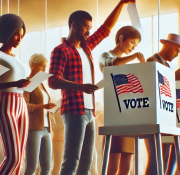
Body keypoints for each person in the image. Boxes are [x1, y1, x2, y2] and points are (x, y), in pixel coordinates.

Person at [48, 1, 135, 174]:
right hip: (74, 110)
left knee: (87, 164)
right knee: (71, 161)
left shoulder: (86, 47)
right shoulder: (61, 50)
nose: (89, 31)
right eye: (86, 27)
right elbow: (53, 81)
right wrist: (80, 87)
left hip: (90, 111)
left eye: (90, 28)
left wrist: (122, 3)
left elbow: (105, 29)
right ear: (74, 25)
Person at [0, 14, 31, 175]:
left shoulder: (17, 58)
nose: (19, 38)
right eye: (16, 34)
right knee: (14, 158)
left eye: (21, 34)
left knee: (20, 159)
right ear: (6, 33)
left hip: (21, 105)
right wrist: (15, 84)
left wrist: (24, 84)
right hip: (6, 104)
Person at [99, 26, 144, 175]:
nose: (133, 48)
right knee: (112, 165)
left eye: (135, 46)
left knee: (126, 166)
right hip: (114, 116)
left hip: (129, 116)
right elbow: (113, 64)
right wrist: (134, 56)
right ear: (121, 38)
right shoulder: (105, 56)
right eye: (132, 42)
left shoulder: (129, 67)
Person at [146, 33, 180, 175]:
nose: (177, 54)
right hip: (154, 116)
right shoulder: (152, 61)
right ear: (167, 45)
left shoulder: (168, 66)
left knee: (165, 158)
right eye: (176, 50)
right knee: (156, 159)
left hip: (165, 115)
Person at [24, 53, 56, 175]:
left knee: (47, 167)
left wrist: (52, 108)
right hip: (34, 129)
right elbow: (24, 106)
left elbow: (45, 105)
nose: (44, 69)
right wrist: (43, 106)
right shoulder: (27, 83)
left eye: (45, 66)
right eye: (42, 66)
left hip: (47, 129)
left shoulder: (42, 84)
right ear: (33, 65)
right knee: (32, 167)